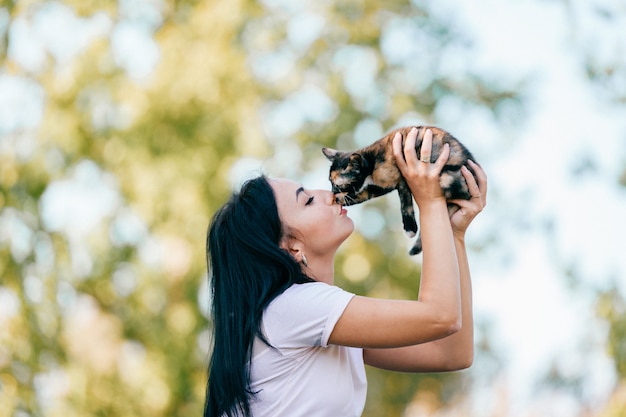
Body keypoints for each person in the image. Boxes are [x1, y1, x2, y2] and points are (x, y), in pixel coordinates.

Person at [203, 127, 487, 417]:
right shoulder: (296, 308)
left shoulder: (322, 324)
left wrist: (453, 234)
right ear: (291, 248)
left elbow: (451, 353)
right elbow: (441, 316)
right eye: (307, 200)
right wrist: (431, 202)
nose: (328, 195)